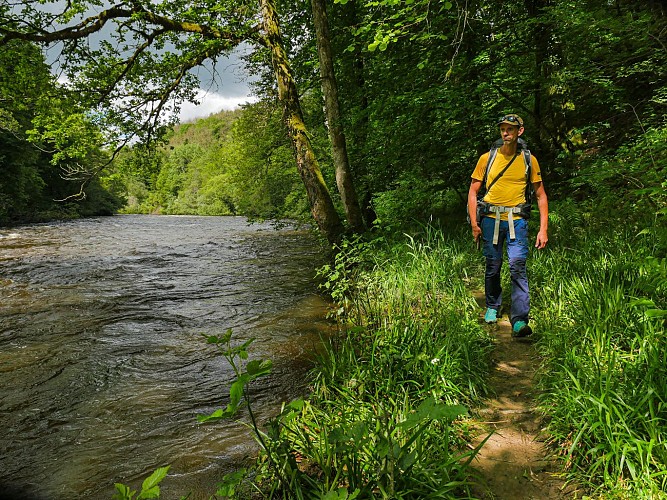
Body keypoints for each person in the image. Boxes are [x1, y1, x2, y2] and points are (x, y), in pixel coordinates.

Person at [467, 114, 548, 337]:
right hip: (491, 220)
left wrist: (543, 229)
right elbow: (473, 191)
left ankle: (520, 320)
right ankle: (493, 306)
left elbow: (541, 195)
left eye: (510, 129)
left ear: (519, 131)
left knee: (518, 267)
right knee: (493, 266)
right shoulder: (487, 158)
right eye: (503, 129)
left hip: (517, 221)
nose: (506, 133)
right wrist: (474, 223)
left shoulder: (529, 160)